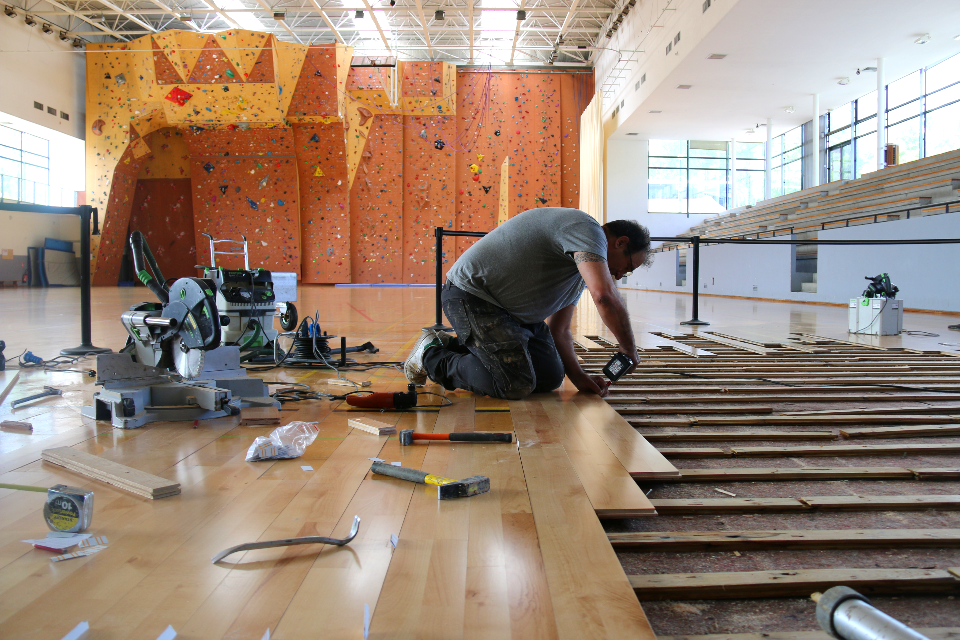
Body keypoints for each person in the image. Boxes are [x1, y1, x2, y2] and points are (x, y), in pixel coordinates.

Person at [403, 207, 651, 400]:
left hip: (513, 316)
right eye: (627, 267)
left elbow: (560, 329)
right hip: (473, 296)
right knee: (515, 383)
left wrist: (579, 377)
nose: (620, 275)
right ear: (621, 243)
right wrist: (629, 349)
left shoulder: (578, 271)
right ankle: (431, 355)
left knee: (549, 377)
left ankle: (465, 346)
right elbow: (604, 296)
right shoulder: (587, 229)